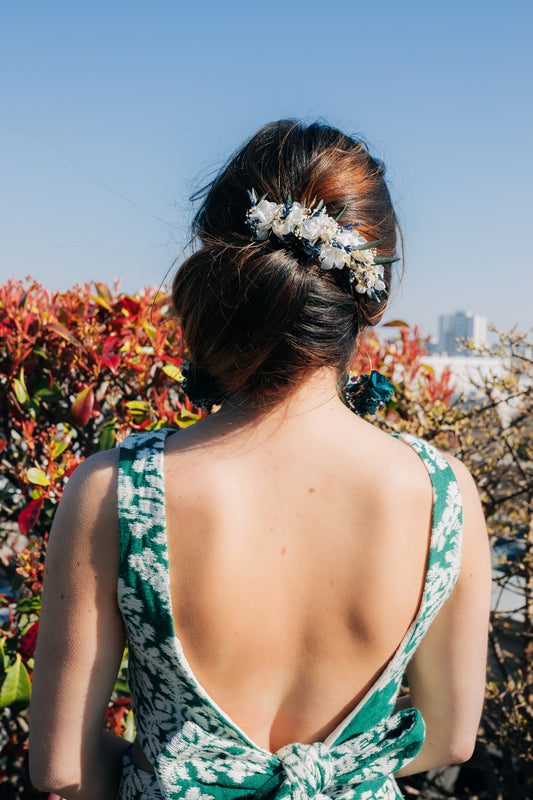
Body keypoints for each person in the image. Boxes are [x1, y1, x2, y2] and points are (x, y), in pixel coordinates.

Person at [29, 120, 491, 800]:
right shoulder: (443, 494)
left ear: (223, 271)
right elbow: (449, 738)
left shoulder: (115, 491)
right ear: (372, 293)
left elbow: (60, 768)